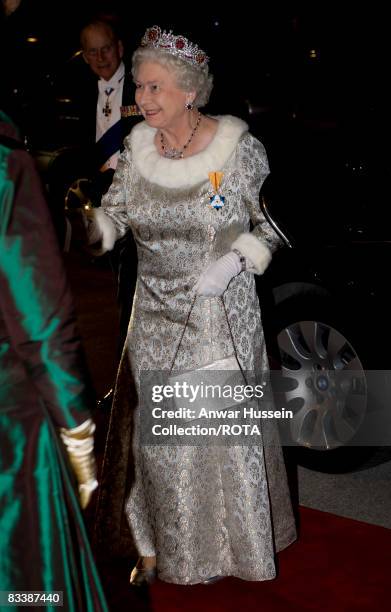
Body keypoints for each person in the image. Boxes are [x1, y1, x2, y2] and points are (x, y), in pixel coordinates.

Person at [93, 25, 296, 586]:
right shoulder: (135, 147)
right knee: (161, 444)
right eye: (139, 85)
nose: (142, 98)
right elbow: (117, 213)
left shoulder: (236, 148)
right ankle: (164, 544)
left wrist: (236, 262)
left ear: (189, 91)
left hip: (217, 311)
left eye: (155, 87)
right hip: (152, 312)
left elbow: (272, 224)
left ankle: (231, 548)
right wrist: (94, 226)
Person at [0, 111, 108, 611]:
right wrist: (78, 434)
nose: (148, 97)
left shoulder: (224, 151)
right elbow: (38, 318)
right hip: (11, 423)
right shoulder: (5, 163)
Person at [78, 17, 141, 368]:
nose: (101, 57)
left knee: (134, 282)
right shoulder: (81, 90)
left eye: (106, 48)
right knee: (119, 277)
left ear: (119, 47)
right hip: (106, 195)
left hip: (138, 194)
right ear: (85, 57)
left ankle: (130, 362)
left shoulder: (141, 83)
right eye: (93, 52)